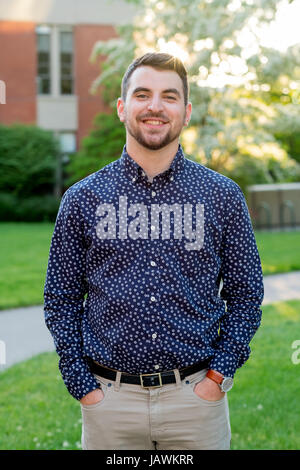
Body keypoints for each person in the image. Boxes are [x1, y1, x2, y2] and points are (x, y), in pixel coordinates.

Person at [44, 52, 264, 450]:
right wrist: (81, 384)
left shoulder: (223, 196)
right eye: (143, 94)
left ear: (187, 110)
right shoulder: (82, 199)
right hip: (110, 402)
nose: (155, 107)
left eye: (170, 96)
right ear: (122, 107)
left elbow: (247, 296)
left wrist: (218, 378)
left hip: (196, 402)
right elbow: (60, 299)